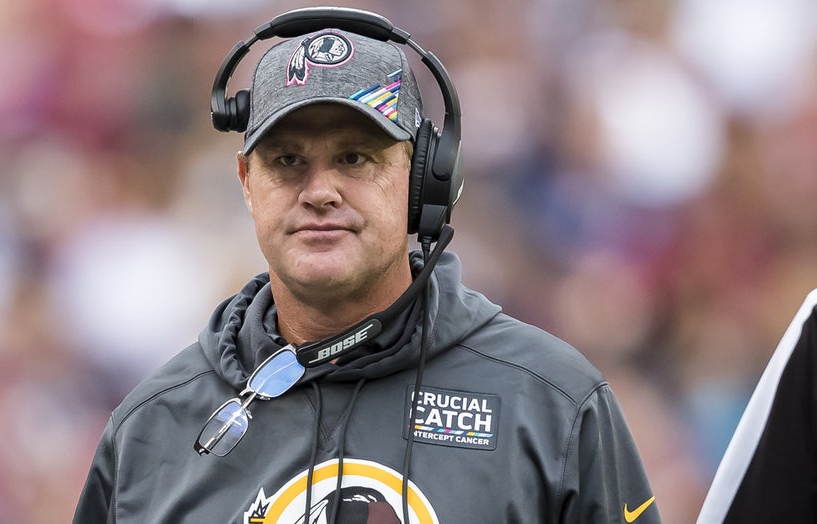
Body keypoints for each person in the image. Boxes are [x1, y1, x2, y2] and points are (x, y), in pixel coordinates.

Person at [73, 7, 660, 523]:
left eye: (355, 158)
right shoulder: (152, 429)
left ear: (422, 182)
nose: (320, 190)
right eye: (287, 161)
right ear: (247, 185)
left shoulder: (551, 401)